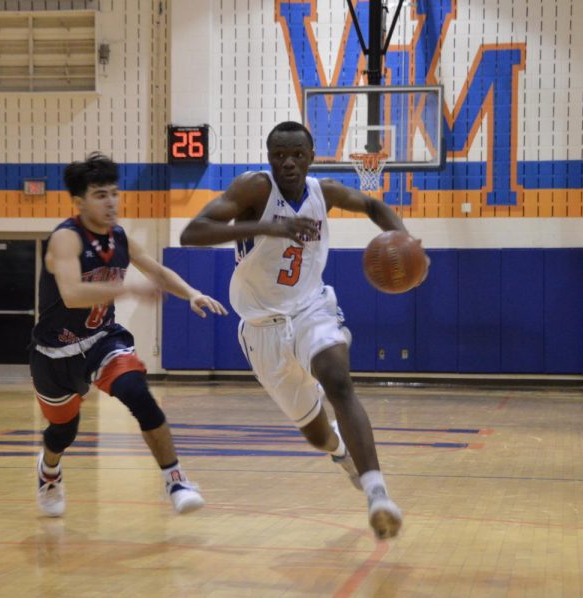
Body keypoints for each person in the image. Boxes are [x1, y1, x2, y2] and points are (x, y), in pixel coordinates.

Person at [180, 121, 427, 540]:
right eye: (279, 155)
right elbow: (191, 234)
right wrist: (264, 227)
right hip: (261, 327)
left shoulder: (323, 191)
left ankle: (377, 493)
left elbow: (371, 206)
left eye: (297, 154)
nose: (288, 163)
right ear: (269, 157)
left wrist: (405, 241)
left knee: (337, 379)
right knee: (317, 436)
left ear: (311, 157)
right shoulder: (253, 189)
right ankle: (342, 452)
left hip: (311, 308)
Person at [31, 152, 227, 517]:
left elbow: (157, 270)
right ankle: (49, 470)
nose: (111, 202)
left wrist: (192, 294)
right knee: (63, 432)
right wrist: (128, 289)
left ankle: (176, 480)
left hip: (102, 341)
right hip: (54, 354)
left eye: (114, 193)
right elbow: (72, 293)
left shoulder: (119, 237)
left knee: (138, 393)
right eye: (100, 195)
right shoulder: (65, 239)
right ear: (79, 201)